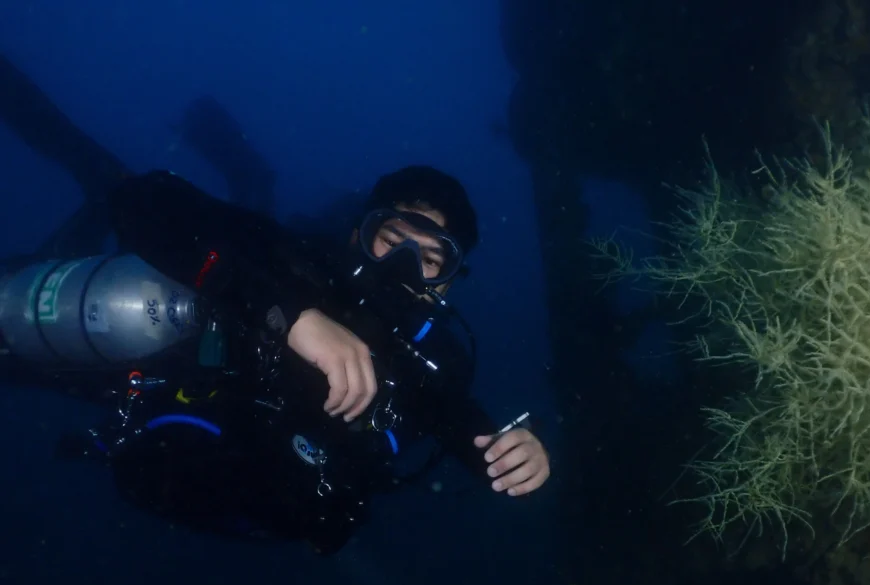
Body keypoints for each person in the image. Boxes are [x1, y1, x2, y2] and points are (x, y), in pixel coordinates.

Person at [5, 165, 551, 554]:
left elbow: (457, 418)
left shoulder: (431, 360)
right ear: (357, 233)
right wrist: (291, 315)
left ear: (447, 287)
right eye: (392, 239)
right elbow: (143, 199)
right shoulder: (291, 259)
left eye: (431, 260)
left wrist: (509, 452)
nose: (405, 266)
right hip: (129, 378)